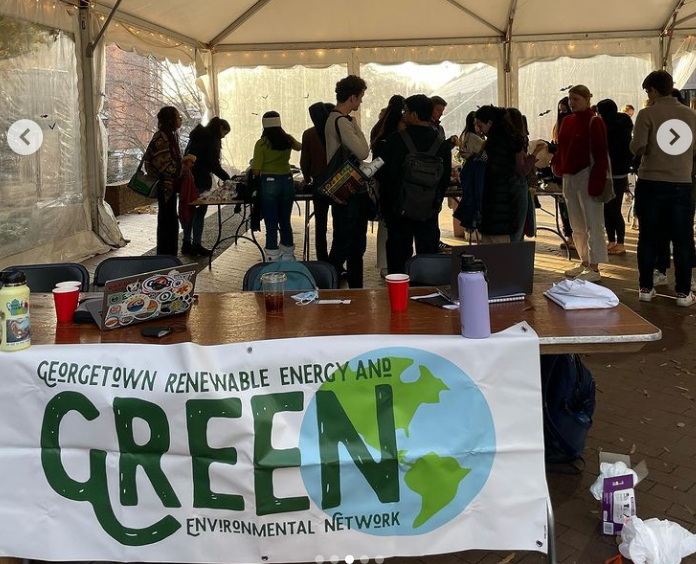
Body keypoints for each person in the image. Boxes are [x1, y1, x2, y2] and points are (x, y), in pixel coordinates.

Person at [631, 70, 696, 306]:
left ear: (654, 90)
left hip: (651, 183)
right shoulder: (691, 115)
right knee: (683, 239)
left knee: (648, 237)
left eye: (648, 91)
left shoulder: (647, 114)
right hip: (681, 183)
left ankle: (646, 288)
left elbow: (637, 147)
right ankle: (683, 293)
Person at [376, 94, 451, 274]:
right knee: (428, 256)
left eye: (406, 111)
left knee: (398, 258)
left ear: (415, 115)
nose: (404, 114)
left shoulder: (396, 140)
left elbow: (384, 175)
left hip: (399, 210)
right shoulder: (440, 143)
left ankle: (400, 296)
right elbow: (445, 178)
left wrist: (387, 207)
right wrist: (435, 201)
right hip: (428, 210)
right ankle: (426, 292)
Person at [552, 84, 609, 282]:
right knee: (576, 223)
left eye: (576, 99)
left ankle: (595, 266)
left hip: (587, 174)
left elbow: (601, 154)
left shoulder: (595, 122)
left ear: (587, 99)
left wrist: (598, 181)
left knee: (594, 222)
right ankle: (584, 261)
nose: (572, 102)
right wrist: (557, 165)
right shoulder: (567, 121)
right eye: (570, 99)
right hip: (569, 176)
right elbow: (562, 147)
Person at [325, 75, 370, 288]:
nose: (360, 102)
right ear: (352, 97)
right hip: (349, 190)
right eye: (360, 97)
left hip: (341, 187)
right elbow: (363, 151)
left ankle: (343, 287)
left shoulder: (331, 119)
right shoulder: (342, 121)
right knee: (348, 245)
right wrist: (357, 127)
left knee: (346, 242)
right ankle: (345, 287)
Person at [251, 111, 302, 262]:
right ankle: (288, 255)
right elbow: (300, 147)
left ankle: (272, 257)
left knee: (271, 222)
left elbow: (256, 170)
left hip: (269, 183)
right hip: (287, 182)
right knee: (285, 221)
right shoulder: (287, 140)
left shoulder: (261, 144)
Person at [473, 105, 525, 244]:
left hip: (496, 198)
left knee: (495, 247)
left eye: (480, 125)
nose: (479, 129)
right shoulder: (508, 138)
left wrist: (477, 159)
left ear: (490, 123)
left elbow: (493, 168)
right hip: (503, 198)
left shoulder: (495, 142)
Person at [144, 106, 191, 256]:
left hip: (170, 187)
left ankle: (170, 253)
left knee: (170, 220)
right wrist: (183, 167)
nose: (180, 120)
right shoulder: (161, 138)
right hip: (164, 187)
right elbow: (163, 164)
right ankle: (165, 255)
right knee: (167, 221)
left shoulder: (170, 135)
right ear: (171, 119)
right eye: (178, 117)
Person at [183, 117, 231, 256]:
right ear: (220, 127)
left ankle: (186, 244)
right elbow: (213, 163)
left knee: (189, 212)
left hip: (188, 179)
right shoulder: (211, 139)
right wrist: (227, 179)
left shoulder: (196, 135)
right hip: (201, 181)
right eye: (224, 133)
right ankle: (197, 245)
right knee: (199, 214)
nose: (223, 136)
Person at [371, 95, 406, 277]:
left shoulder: (378, 126)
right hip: (398, 182)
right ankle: (400, 265)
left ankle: (384, 264)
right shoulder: (401, 127)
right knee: (399, 228)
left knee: (384, 224)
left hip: (380, 179)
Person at [596, 99, 633, 255]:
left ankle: (619, 242)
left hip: (614, 172)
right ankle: (613, 241)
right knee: (609, 208)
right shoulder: (623, 123)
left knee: (612, 208)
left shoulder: (611, 127)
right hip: (618, 172)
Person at [300, 102, 335, 262]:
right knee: (340, 223)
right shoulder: (336, 132)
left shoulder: (308, 134)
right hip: (337, 181)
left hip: (319, 183)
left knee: (320, 225)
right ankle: (337, 259)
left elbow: (304, 162)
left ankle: (322, 259)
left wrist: (307, 179)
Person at [551, 97, 575, 249]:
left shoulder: (575, 125)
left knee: (571, 207)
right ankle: (570, 236)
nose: (562, 113)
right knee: (564, 206)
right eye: (560, 110)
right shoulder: (558, 126)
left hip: (572, 173)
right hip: (562, 174)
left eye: (565, 110)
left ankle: (573, 237)